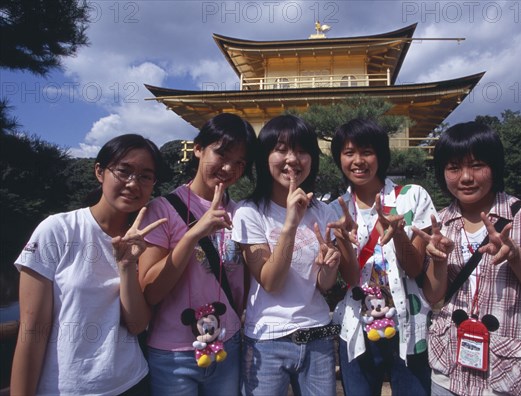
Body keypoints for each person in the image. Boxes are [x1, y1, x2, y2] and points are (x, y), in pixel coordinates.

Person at [413, 122, 521, 395]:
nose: (465, 177)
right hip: (448, 372)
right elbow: (433, 296)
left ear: (495, 167)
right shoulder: (441, 223)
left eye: (476, 165)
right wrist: (440, 261)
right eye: (454, 168)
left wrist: (515, 256)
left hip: (512, 375)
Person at [11, 134, 169, 395]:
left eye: (145, 176)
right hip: (65, 388)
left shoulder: (144, 241)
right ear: (100, 171)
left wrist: (128, 265)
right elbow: (32, 331)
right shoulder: (59, 230)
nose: (133, 184)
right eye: (124, 171)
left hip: (131, 383)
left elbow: (137, 324)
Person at [232, 114, 354, 396]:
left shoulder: (323, 212)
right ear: (265, 157)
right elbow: (271, 281)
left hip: (318, 334)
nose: (293, 159)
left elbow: (323, 285)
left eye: (302, 150)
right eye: (281, 149)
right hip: (266, 340)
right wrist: (289, 222)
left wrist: (329, 266)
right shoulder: (249, 212)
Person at [138, 113, 257, 395]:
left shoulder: (242, 213)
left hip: (227, 346)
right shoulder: (163, 210)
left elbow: (248, 284)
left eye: (240, 162)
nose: (229, 167)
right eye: (222, 154)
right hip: (174, 355)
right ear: (198, 148)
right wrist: (193, 234)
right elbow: (150, 291)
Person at [329, 118, 437, 395]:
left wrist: (398, 233)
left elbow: (414, 269)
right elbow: (352, 279)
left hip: (408, 323)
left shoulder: (412, 197)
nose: (358, 160)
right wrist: (341, 240)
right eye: (349, 152)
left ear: (381, 155)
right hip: (357, 326)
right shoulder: (335, 211)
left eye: (367, 151)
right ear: (339, 157)